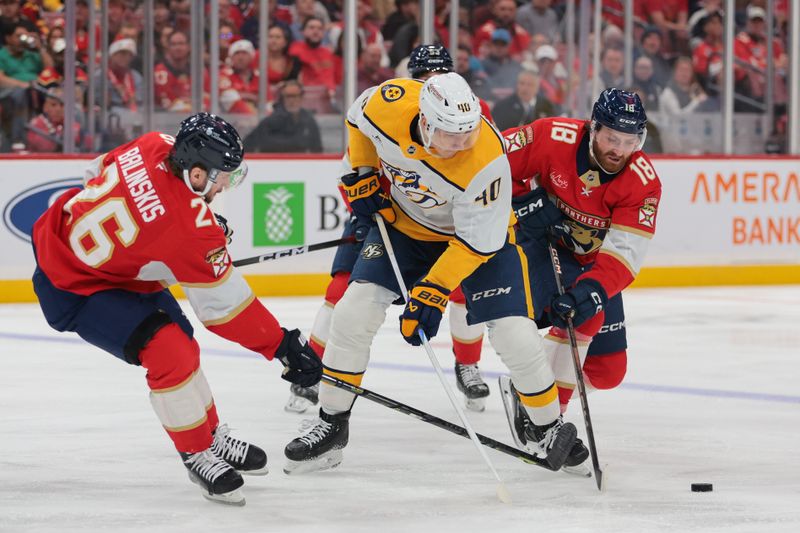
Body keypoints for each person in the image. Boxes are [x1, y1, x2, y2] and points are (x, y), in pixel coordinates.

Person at [282, 73, 578, 475]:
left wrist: (432, 292)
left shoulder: (485, 162)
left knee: (514, 334)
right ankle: (331, 425)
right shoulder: (391, 101)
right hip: (406, 228)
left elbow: (476, 245)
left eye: (468, 133)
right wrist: (364, 173)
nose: (462, 144)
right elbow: (357, 120)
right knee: (352, 312)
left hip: (478, 242)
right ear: (425, 121)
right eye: (451, 136)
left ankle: (545, 426)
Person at [30, 112, 322, 505]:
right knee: (170, 351)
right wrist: (283, 345)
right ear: (197, 173)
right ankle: (195, 452)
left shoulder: (153, 144)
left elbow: (95, 172)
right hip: (71, 287)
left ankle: (210, 434)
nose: (224, 185)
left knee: (182, 341)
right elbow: (225, 309)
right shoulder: (190, 229)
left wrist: (172, 230)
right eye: (221, 177)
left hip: (84, 254)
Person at [284, 44, 496, 414]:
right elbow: (352, 163)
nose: (431, 84)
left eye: (439, 75)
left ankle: (468, 364)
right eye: (423, 77)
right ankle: (312, 372)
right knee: (341, 291)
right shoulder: (390, 106)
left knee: (464, 288)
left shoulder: (473, 116)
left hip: (446, 223)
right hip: (383, 214)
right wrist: (363, 204)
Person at [502, 88, 661, 474]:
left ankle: (530, 385)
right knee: (580, 319)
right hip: (541, 244)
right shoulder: (550, 135)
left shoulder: (642, 182)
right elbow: (488, 162)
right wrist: (522, 201)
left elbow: (625, 252)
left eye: (628, 141)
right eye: (611, 137)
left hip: (593, 264)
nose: (618, 149)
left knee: (608, 372)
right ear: (593, 127)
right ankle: (546, 420)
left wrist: (593, 289)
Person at [242, 80, 322, 153]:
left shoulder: (308, 120)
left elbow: (317, 149)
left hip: (300, 164)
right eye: (288, 96)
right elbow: (248, 144)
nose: (292, 100)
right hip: (272, 164)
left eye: (294, 96)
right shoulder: (271, 121)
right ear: (282, 98)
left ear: (301, 97)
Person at [491, 68, 555, 131]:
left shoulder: (546, 106)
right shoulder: (503, 106)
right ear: (517, 85)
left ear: (537, 88)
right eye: (522, 83)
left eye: (530, 85)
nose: (525, 88)